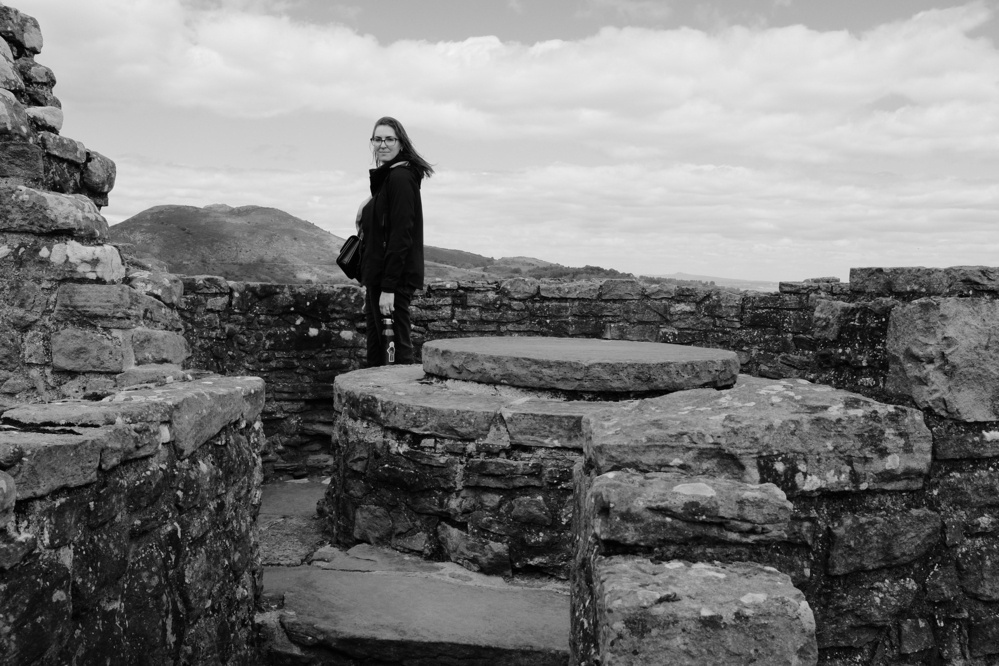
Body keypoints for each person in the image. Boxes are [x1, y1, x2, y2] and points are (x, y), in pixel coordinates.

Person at [356, 116, 434, 366]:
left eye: (389, 139)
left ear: (401, 143)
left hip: (393, 280)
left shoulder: (400, 178)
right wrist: (367, 203)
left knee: (395, 349)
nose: (383, 144)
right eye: (377, 139)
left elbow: (402, 235)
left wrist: (388, 288)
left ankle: (401, 402)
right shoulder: (389, 179)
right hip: (380, 277)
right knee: (378, 348)